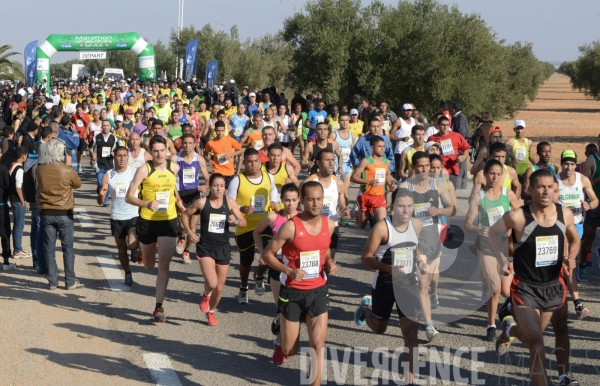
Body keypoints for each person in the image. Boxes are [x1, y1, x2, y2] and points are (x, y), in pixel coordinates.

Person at [490, 169, 580, 386]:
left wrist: (572, 258)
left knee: (534, 335)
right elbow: (493, 233)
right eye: (540, 186)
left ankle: (510, 329)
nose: (546, 191)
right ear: (530, 189)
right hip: (525, 289)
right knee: (537, 343)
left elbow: (575, 239)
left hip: (552, 287)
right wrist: (503, 258)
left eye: (550, 186)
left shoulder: (564, 214)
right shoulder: (517, 216)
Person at [261, 181, 337, 384]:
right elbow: (268, 254)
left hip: (318, 291)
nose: (315, 203)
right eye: (311, 199)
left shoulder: (328, 225)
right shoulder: (290, 227)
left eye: (319, 199)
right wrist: (288, 271)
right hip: (292, 292)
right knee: (290, 350)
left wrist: (329, 261)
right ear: (302, 200)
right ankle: (281, 332)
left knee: (318, 345)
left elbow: (324, 248)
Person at [354, 188, 426, 386]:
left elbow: (415, 249)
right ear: (392, 207)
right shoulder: (382, 228)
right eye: (401, 206)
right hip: (385, 284)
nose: (405, 210)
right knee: (379, 329)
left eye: (409, 206)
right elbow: (365, 258)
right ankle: (366, 308)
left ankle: (409, 381)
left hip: (409, 285)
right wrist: (389, 268)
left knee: (411, 333)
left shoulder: (417, 225)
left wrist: (420, 263)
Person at [125, 135, 184, 322]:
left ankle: (159, 307)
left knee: (164, 265)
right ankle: (138, 241)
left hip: (168, 220)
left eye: (162, 150)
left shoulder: (174, 168)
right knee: (149, 267)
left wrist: (180, 203)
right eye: (155, 151)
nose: (159, 154)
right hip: (147, 221)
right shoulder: (144, 170)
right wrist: (146, 203)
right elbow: (129, 196)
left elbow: (173, 187)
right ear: (150, 152)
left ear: (167, 150)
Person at [399, 151, 456, 341]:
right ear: (413, 167)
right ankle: (429, 326)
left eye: (427, 166)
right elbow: (399, 219)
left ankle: (425, 304)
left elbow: (452, 208)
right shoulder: (406, 187)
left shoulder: (437, 185)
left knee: (430, 279)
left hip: (433, 239)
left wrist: (438, 210)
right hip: (415, 242)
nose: (424, 170)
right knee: (423, 283)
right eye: (420, 166)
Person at [464, 159, 520, 340]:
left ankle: (504, 307)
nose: (495, 177)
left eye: (498, 174)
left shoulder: (508, 194)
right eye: (491, 174)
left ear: (503, 175)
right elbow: (467, 224)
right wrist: (479, 229)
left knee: (505, 291)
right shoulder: (478, 197)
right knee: (494, 285)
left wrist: (513, 226)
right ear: (485, 175)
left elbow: (522, 217)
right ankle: (491, 326)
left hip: (505, 245)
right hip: (485, 244)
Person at [181, 173, 247, 326]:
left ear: (225, 188)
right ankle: (205, 295)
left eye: (222, 186)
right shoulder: (202, 202)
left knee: (219, 288)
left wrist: (235, 220)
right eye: (216, 185)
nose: (218, 189)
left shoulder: (230, 203)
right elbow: (185, 215)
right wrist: (190, 233)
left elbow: (243, 222)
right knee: (211, 282)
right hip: (206, 247)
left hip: (223, 248)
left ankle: (211, 312)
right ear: (210, 186)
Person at [254, 183, 300, 364]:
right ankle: (280, 345)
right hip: (277, 269)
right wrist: (263, 253)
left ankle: (281, 341)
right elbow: (257, 232)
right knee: (283, 310)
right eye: (287, 200)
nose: (290, 204)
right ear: (281, 200)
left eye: (294, 200)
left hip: (296, 270)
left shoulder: (302, 219)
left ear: (299, 200)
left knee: (293, 312)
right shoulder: (273, 217)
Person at [227, 148, 278, 303]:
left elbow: (273, 190)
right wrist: (241, 209)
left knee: (270, 254)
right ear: (245, 163)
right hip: (245, 227)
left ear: (260, 161)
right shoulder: (238, 180)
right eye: (250, 161)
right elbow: (229, 203)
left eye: (256, 161)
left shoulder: (268, 177)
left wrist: (274, 200)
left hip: (265, 224)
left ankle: (259, 275)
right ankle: (243, 287)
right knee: (246, 261)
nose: (253, 164)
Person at [556, 150, 597, 320]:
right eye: (566, 163)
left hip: (577, 227)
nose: (569, 167)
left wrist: (589, 205)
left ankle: (575, 303)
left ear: (575, 165)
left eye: (572, 164)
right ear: (562, 164)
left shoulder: (582, 179)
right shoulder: (555, 180)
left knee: (569, 263)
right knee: (565, 261)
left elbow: (595, 200)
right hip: (558, 227)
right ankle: (575, 302)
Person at [37, 139, 83, 290]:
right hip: (64, 212)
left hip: (46, 212)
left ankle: (52, 281)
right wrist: (68, 164)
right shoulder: (67, 170)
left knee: (49, 248)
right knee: (67, 248)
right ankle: (70, 281)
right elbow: (78, 184)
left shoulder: (40, 169)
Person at [97, 146, 140, 286]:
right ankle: (127, 273)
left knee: (132, 242)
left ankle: (136, 249)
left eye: (124, 155)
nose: (122, 158)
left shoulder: (135, 173)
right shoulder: (108, 175)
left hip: (133, 214)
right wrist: (101, 195)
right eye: (119, 156)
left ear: (128, 157)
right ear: (114, 157)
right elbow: (100, 200)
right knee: (121, 249)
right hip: (116, 216)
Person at [305, 149, 348, 260]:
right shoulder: (309, 183)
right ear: (318, 163)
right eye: (327, 160)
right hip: (313, 226)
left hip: (332, 225)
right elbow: (300, 205)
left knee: (329, 261)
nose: (331, 163)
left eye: (333, 160)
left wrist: (344, 211)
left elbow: (342, 205)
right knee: (314, 259)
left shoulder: (339, 183)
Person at [173, 134, 209, 262]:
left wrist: (205, 187)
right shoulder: (175, 158)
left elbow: (208, 178)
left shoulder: (199, 159)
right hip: (180, 194)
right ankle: (181, 236)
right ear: (181, 144)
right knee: (183, 225)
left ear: (195, 144)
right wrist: (177, 199)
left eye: (190, 143)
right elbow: (171, 180)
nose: (187, 146)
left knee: (193, 227)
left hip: (194, 195)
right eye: (185, 143)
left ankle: (187, 251)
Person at [351, 136, 394, 229]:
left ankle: (379, 241)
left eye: (383, 146)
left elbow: (387, 175)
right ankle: (355, 213)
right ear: (372, 148)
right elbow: (353, 178)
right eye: (379, 146)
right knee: (362, 225)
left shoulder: (387, 162)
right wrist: (368, 182)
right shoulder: (366, 161)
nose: (382, 149)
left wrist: (390, 185)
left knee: (382, 224)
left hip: (379, 196)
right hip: (365, 195)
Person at [428, 115, 470, 190]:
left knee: (450, 192)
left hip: (452, 170)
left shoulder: (456, 136)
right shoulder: (431, 138)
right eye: (443, 125)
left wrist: (463, 156)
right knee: (438, 191)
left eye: (447, 125)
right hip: (436, 170)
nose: (445, 127)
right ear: (438, 125)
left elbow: (466, 148)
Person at [329, 112, 355, 225]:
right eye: (342, 120)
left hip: (347, 166)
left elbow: (353, 151)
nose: (344, 122)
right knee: (334, 192)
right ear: (339, 121)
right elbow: (328, 151)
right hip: (335, 165)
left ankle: (344, 215)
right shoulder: (334, 135)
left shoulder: (352, 136)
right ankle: (332, 213)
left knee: (345, 191)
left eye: (346, 120)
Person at [204, 121, 244, 188]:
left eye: (222, 131)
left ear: (225, 130)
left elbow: (241, 150)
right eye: (218, 131)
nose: (220, 133)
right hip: (217, 171)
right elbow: (205, 154)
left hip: (229, 171)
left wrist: (231, 154)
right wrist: (208, 160)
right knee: (216, 193)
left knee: (228, 194)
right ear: (215, 130)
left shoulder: (230, 140)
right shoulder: (211, 143)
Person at [89, 119, 118, 207]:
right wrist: (93, 154)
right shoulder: (97, 136)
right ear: (101, 127)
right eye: (104, 125)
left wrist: (114, 153)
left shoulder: (113, 137)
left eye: (107, 125)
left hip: (110, 164)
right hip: (99, 164)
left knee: (107, 184)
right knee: (101, 183)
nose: (105, 127)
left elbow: (118, 149)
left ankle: (105, 200)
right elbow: (90, 147)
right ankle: (99, 189)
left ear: (110, 127)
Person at [262, 143, 300, 209]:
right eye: (273, 155)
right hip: (265, 205)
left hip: (282, 206)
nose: (275, 158)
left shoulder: (288, 168)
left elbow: (298, 185)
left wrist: (292, 183)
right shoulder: (261, 168)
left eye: (278, 155)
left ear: (281, 156)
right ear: (268, 155)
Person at [8, 147, 30, 259]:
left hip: (12, 199)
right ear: (23, 156)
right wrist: (23, 201)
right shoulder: (20, 169)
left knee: (17, 225)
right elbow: (18, 187)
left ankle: (18, 248)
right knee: (19, 225)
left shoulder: (13, 166)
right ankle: (18, 249)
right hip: (17, 200)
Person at [505, 119, 535, 185]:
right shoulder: (510, 142)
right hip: (513, 173)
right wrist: (512, 160)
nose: (519, 131)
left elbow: (529, 154)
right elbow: (506, 157)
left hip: (525, 174)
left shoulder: (528, 142)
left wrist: (535, 165)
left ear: (524, 129)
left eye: (521, 128)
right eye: (517, 129)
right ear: (514, 129)